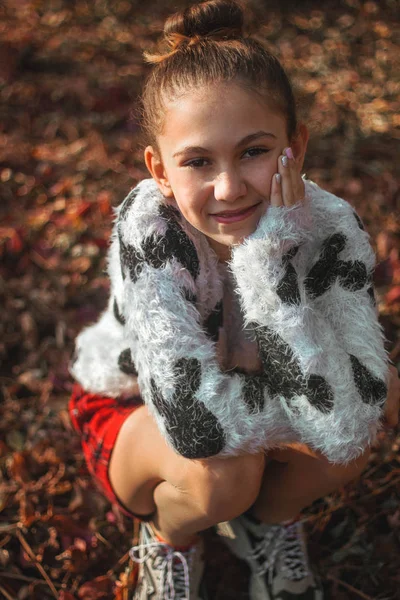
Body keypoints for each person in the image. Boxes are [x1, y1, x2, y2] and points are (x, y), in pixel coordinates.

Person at [68, 1, 400, 598]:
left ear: (295, 143)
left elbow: (349, 430)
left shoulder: (329, 229)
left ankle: (268, 526)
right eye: (197, 161)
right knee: (227, 473)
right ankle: (168, 540)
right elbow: (196, 429)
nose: (228, 188)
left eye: (253, 151)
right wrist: (316, 405)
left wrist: (268, 261)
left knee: (358, 430)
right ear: (160, 170)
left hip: (249, 396)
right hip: (139, 410)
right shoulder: (151, 230)